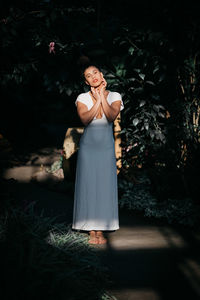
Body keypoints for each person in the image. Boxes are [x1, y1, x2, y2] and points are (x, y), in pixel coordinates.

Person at [72, 63, 124, 245]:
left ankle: (99, 230)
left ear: (102, 75)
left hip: (106, 148)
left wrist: (102, 96)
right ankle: (90, 229)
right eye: (88, 75)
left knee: (103, 186)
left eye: (95, 72)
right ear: (86, 81)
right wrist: (96, 100)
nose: (93, 76)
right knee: (89, 184)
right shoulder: (82, 97)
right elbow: (86, 119)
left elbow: (110, 116)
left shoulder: (115, 96)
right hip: (88, 148)